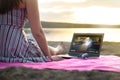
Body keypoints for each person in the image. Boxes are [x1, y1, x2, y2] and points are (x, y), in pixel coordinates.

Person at [0, 0, 65, 62]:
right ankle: (56, 50)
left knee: (29, 38)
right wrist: (49, 58)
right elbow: (38, 32)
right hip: (14, 51)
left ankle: (56, 49)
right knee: (32, 39)